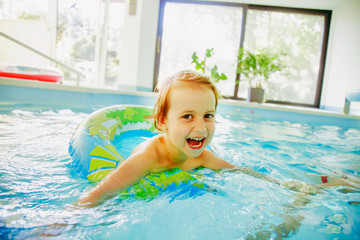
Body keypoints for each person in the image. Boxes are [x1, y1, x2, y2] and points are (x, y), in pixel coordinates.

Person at [75, 70, 359, 208]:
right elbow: (100, 193)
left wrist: (293, 185)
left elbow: (244, 173)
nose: (201, 127)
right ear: (162, 122)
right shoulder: (147, 158)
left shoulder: (202, 156)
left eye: (208, 115)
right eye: (187, 116)